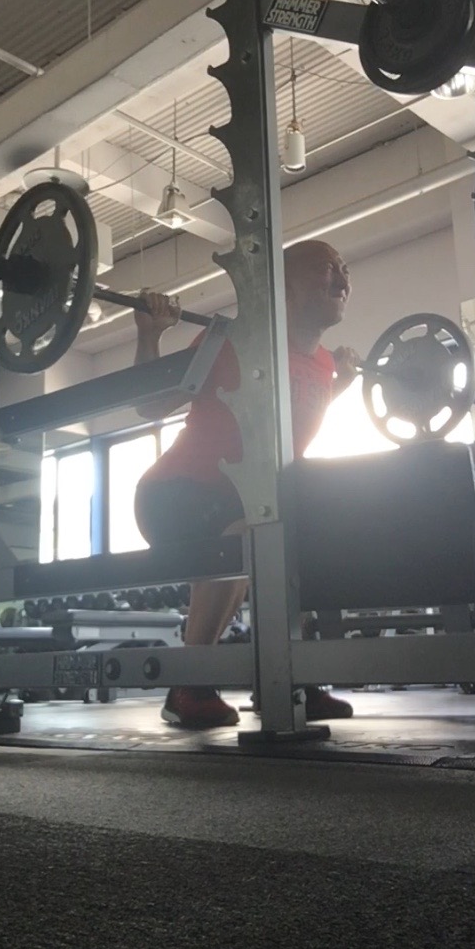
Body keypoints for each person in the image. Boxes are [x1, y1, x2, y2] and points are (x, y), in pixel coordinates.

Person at [133, 239, 360, 728]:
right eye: (328, 268)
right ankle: (188, 685)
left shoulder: (324, 364)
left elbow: (289, 419)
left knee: (293, 536)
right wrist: (150, 334)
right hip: (175, 493)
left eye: (345, 268)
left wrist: (340, 383)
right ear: (286, 286)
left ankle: (289, 679)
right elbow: (149, 406)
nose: (343, 278)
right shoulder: (230, 339)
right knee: (252, 533)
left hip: (246, 501)